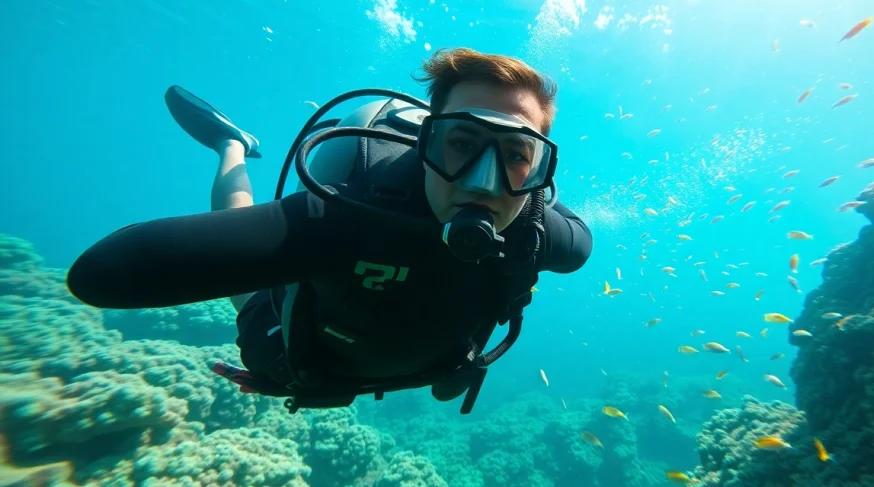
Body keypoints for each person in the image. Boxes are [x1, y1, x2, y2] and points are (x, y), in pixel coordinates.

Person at [66, 48, 592, 414]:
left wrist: (528, 192)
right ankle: (232, 145)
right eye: (461, 144)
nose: (482, 183)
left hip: (421, 359)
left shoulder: (535, 227)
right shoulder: (350, 216)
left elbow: (580, 241)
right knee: (238, 256)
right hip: (304, 351)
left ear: (541, 170)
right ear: (426, 146)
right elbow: (102, 274)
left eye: (515, 154)